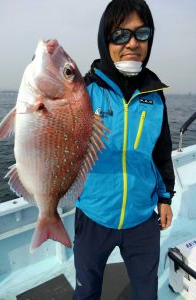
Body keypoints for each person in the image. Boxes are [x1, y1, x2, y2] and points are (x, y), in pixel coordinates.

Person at [73, 0, 175, 299]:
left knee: (146, 293)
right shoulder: (83, 91)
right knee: (86, 291)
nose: (132, 43)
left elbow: (161, 151)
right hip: (93, 214)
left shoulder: (155, 96)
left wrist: (165, 198)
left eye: (141, 33)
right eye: (120, 35)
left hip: (142, 218)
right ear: (105, 40)